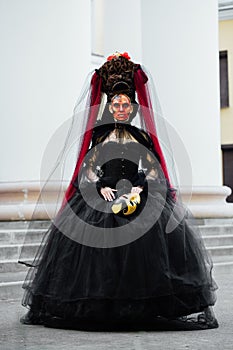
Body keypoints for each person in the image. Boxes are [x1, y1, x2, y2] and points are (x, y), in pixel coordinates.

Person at [19, 52, 218, 331]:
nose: (121, 108)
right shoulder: (99, 137)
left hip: (138, 197)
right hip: (102, 199)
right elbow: (87, 170)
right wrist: (100, 186)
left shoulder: (141, 137)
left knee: (144, 251)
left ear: (133, 107)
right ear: (110, 106)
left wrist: (139, 187)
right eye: (116, 103)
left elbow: (152, 170)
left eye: (126, 104)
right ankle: (100, 308)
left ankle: (142, 307)